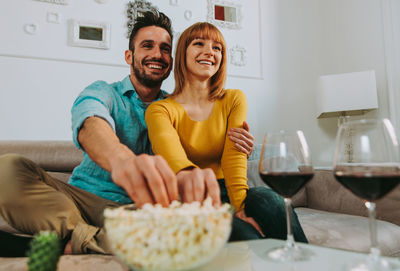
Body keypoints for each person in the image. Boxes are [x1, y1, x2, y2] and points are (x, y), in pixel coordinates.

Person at [0, 11, 255, 256]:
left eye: (165, 49)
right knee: (7, 169)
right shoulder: (104, 92)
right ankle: (97, 239)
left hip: (140, 213)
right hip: (78, 201)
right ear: (128, 55)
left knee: (193, 233)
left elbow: (198, 162)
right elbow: (91, 121)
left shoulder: (175, 109)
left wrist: (236, 145)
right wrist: (123, 162)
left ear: (172, 60)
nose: (157, 54)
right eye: (147, 46)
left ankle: (69, 242)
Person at [145, 22, 308, 241]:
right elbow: (174, 160)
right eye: (199, 44)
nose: (209, 52)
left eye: (217, 48)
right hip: (189, 198)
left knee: (269, 199)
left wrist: (240, 207)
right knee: (245, 234)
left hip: (228, 189)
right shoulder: (160, 109)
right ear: (182, 52)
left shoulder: (233, 99)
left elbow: (234, 156)